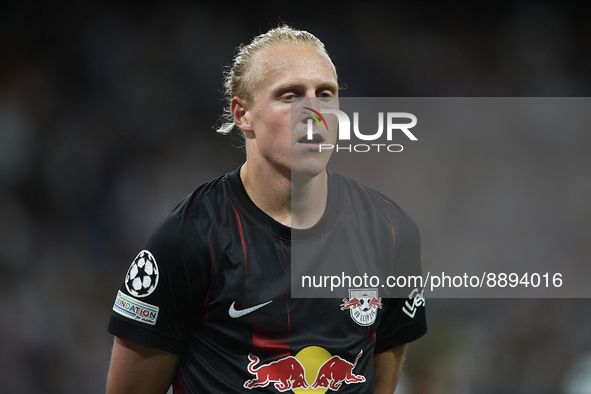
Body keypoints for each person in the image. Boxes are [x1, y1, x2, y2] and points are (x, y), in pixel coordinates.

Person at [106, 25, 426, 393]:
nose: (314, 111)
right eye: (289, 95)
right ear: (242, 114)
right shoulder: (189, 236)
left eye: (326, 94)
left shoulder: (390, 230)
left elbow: (384, 366)